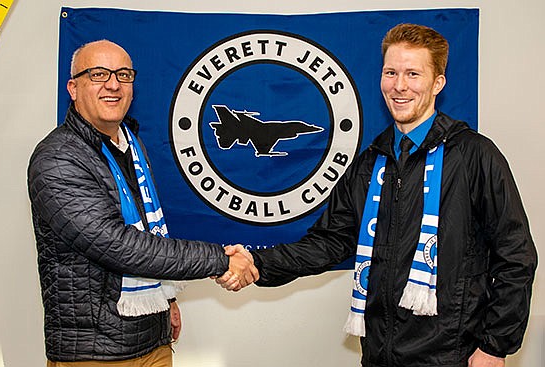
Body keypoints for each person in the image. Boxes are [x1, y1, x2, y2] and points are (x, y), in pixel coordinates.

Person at [218, 24, 537, 367]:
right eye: (391, 72)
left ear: (437, 83)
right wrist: (257, 263)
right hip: (378, 354)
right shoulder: (370, 163)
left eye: (413, 74)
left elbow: (515, 257)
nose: (399, 86)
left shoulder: (475, 156)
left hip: (453, 357)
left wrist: (494, 346)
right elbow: (329, 242)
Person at [27, 40, 258, 366]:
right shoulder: (58, 158)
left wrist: (166, 299)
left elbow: (150, 228)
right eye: (98, 74)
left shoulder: (131, 146)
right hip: (94, 353)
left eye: (123, 75)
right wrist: (219, 260)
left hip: (153, 340)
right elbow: (118, 245)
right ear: (73, 88)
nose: (113, 84)